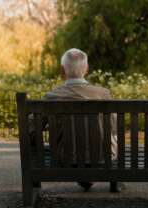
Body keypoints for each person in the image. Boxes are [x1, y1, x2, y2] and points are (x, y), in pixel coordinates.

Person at [43, 48, 121, 192]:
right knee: (110, 140)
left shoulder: (52, 96)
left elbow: (32, 131)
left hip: (66, 157)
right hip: (102, 156)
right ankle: (92, 178)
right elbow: (114, 129)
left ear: (62, 70)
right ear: (86, 69)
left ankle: (85, 177)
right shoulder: (104, 94)